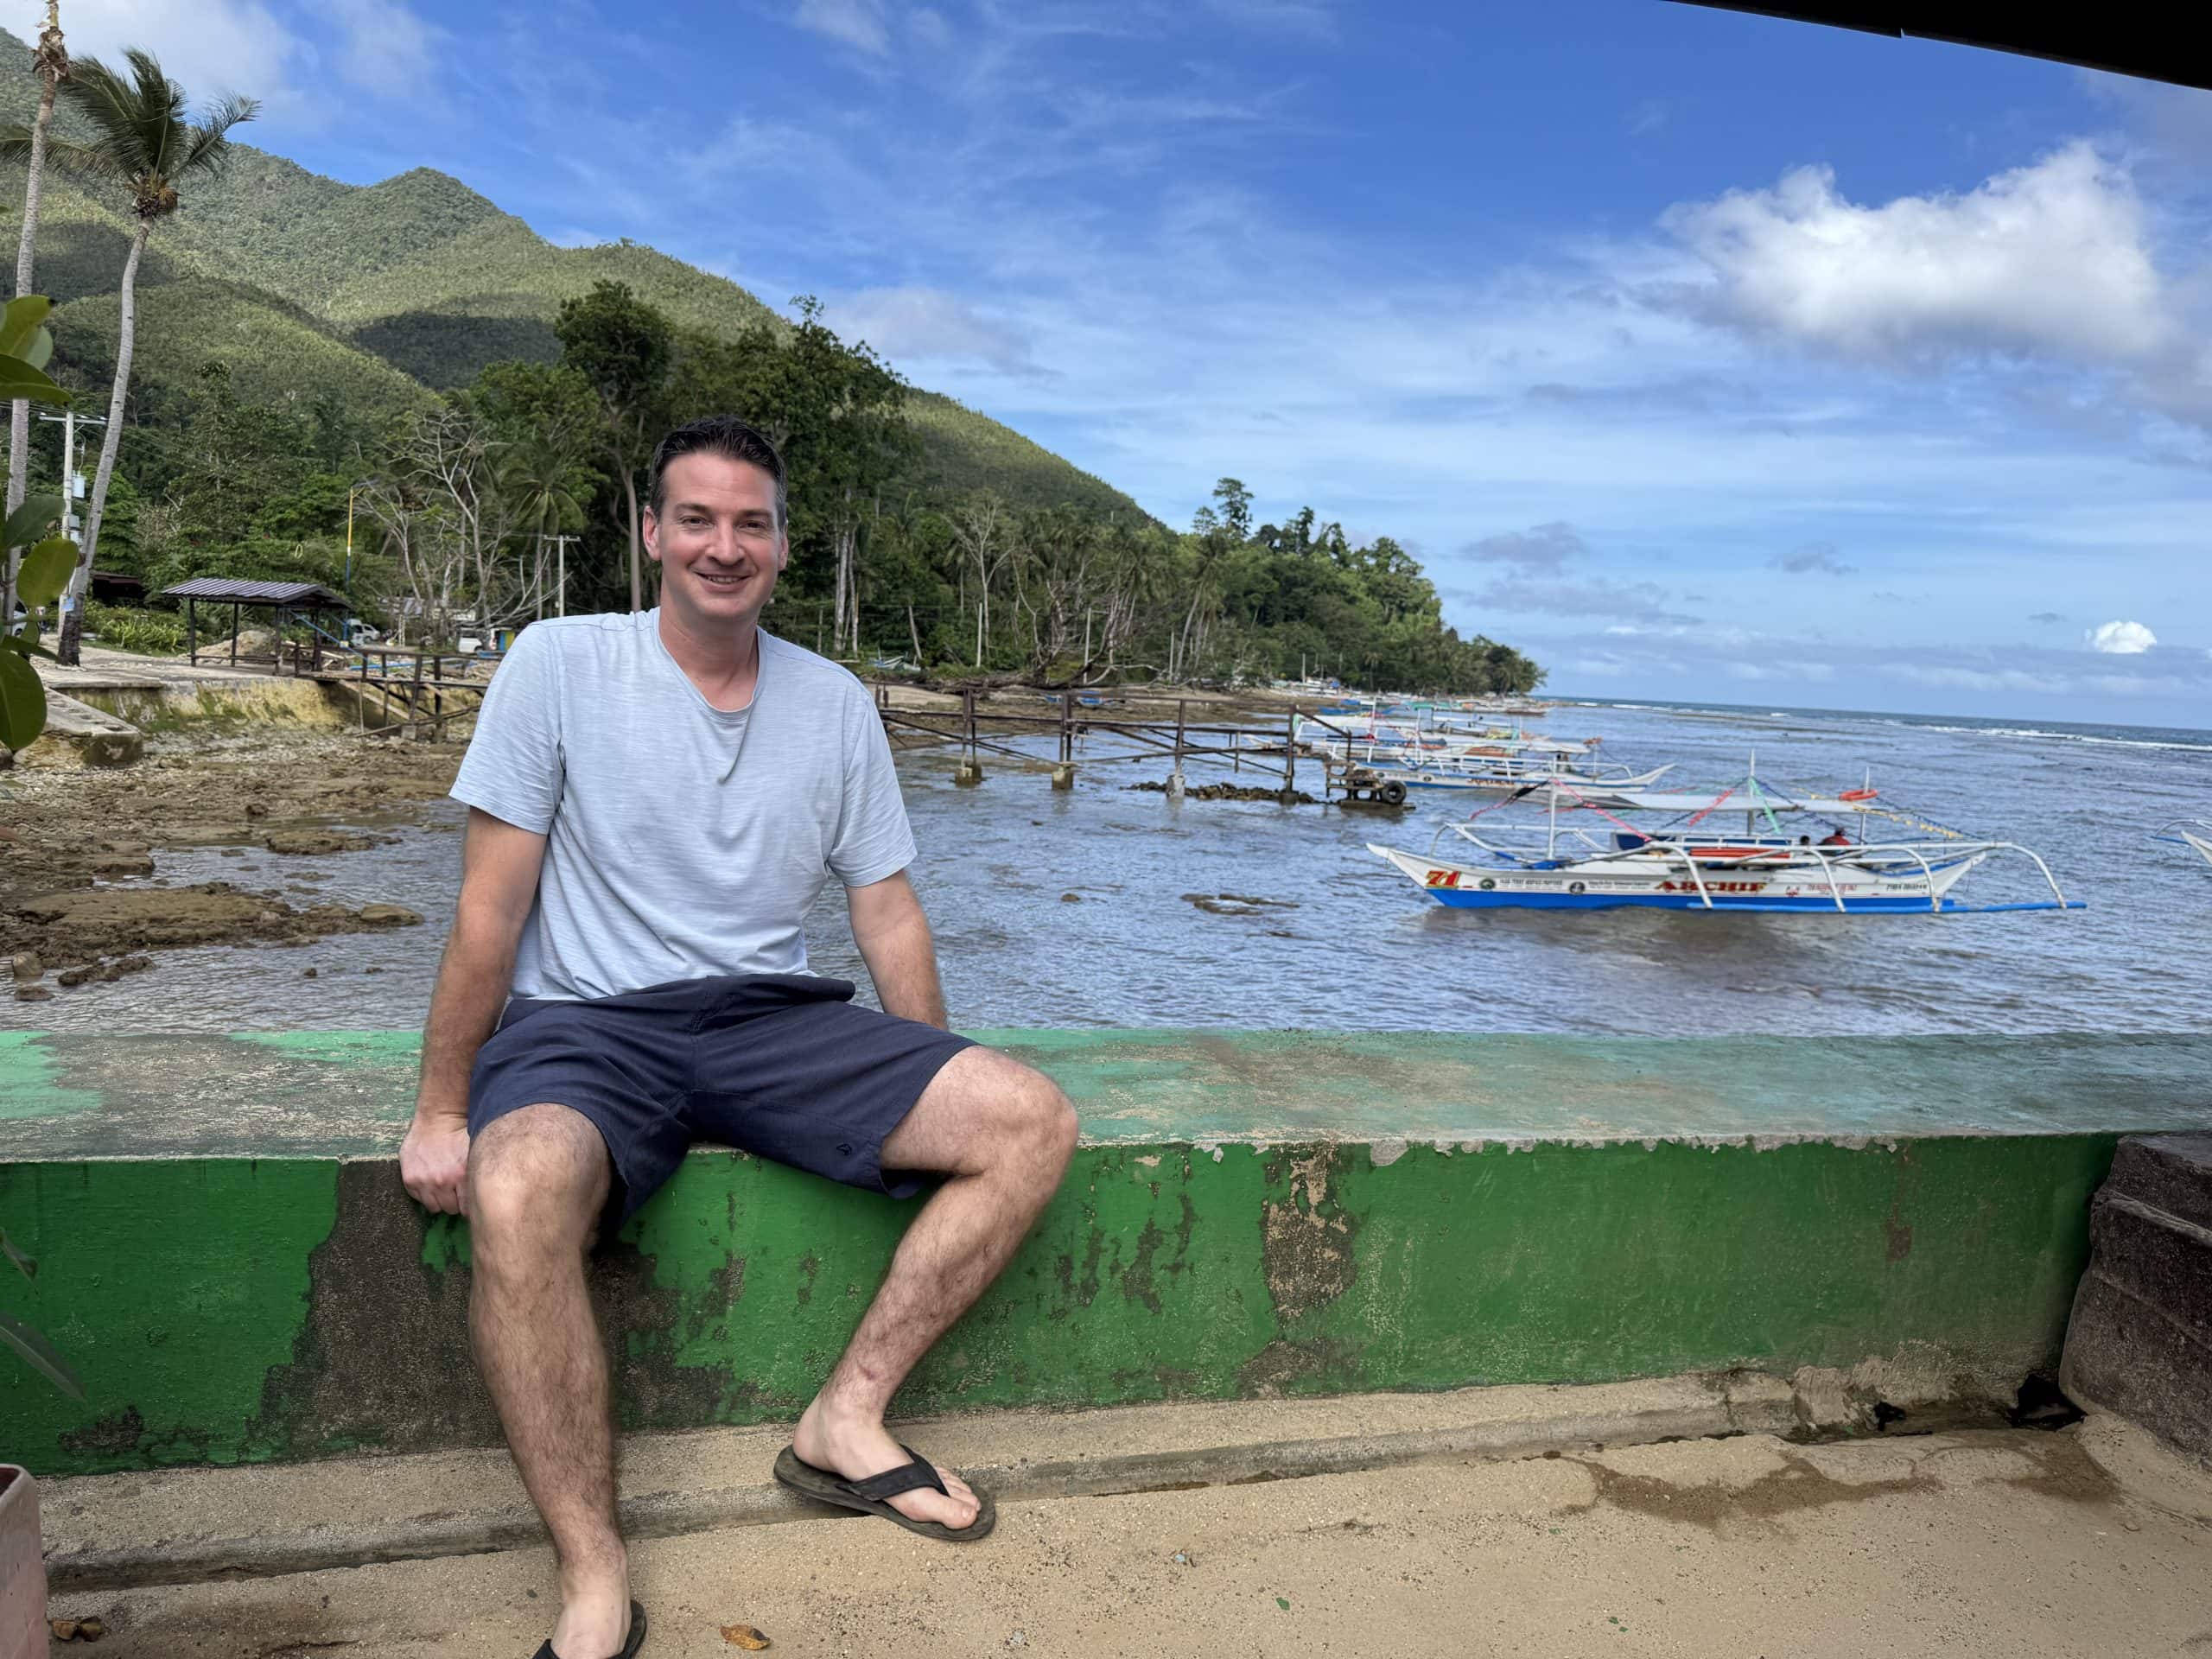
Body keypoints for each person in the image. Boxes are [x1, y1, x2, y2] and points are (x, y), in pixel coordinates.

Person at [399, 414, 1077, 1659]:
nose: (725, 545)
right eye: (697, 519)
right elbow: (490, 909)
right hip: (589, 1028)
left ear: (780, 544)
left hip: (768, 1020)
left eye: (751, 522)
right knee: (516, 1181)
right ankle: (594, 1574)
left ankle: (846, 1418)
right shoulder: (558, 663)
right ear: (652, 534)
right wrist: (444, 1108)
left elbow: (886, 907)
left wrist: (928, 1071)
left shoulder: (833, 704)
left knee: (1029, 1118)